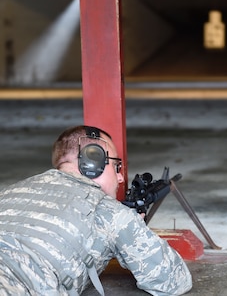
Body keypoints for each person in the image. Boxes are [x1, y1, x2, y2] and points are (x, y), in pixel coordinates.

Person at [0, 125, 192, 296]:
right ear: (93, 161)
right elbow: (172, 281)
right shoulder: (110, 212)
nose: (119, 178)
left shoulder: (9, 191)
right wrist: (131, 230)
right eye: (116, 166)